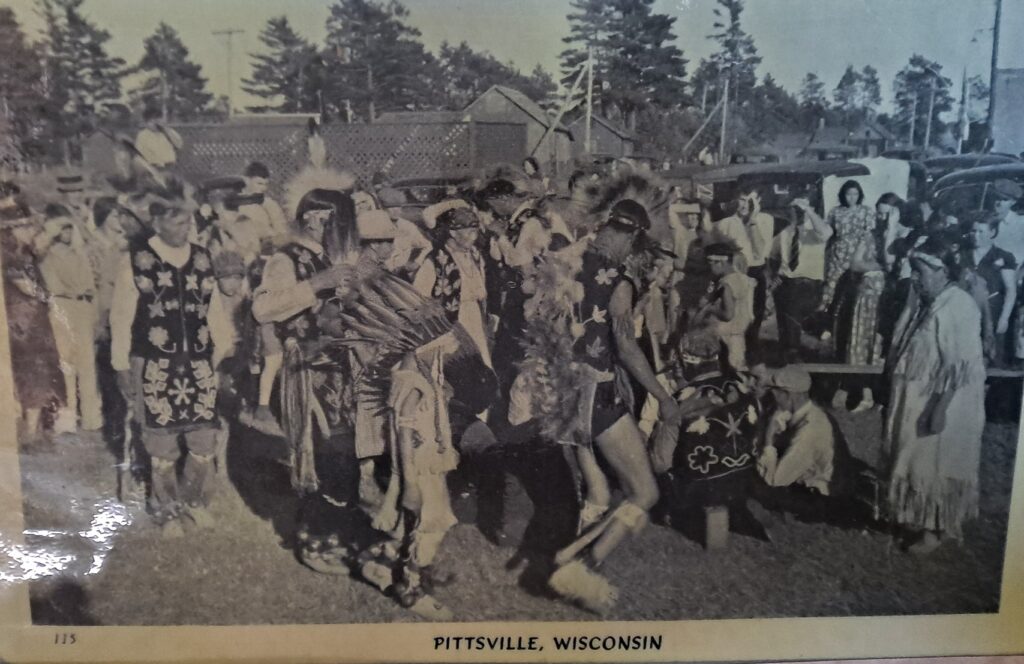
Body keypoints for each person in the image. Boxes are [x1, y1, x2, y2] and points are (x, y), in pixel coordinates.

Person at [546, 199, 679, 614]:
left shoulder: (568, 261)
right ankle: (581, 569)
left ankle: (573, 566)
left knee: (598, 488)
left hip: (561, 389)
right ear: (635, 238)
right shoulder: (618, 280)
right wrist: (664, 397)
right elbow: (626, 347)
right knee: (644, 492)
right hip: (596, 394)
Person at [110, 197, 234, 537]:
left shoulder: (202, 258)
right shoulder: (136, 262)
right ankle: (167, 511)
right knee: (161, 443)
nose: (187, 230)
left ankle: (194, 502)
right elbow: (120, 317)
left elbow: (214, 312)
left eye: (189, 223)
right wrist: (121, 365)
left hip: (198, 363)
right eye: (179, 223)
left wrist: (220, 352)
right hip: (155, 364)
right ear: (159, 222)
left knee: (203, 440)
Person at [883, 235, 986, 554]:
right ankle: (918, 516)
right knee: (914, 459)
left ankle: (937, 530)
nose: (914, 278)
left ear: (942, 272)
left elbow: (960, 366)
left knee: (938, 462)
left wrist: (939, 408)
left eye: (920, 272)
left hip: (944, 403)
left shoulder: (959, 306)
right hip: (916, 395)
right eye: (912, 270)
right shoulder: (925, 301)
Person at [1, 186, 66, 444]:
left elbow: (39, 249)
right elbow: (25, 287)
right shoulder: (11, 255)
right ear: (13, 228)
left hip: (32, 321)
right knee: (32, 374)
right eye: (27, 227)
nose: (32, 232)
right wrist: (48, 297)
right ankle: (29, 433)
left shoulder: (22, 252)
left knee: (39, 373)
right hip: (22, 323)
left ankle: (34, 430)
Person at [37, 204, 103, 434]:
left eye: (69, 228)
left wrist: (93, 312)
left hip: (82, 308)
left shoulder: (79, 253)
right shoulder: (47, 256)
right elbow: (53, 284)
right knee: (66, 363)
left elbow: (91, 286)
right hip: (62, 307)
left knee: (87, 364)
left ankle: (91, 417)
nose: (66, 233)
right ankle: (67, 418)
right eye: (62, 228)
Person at [835, 194, 902, 412]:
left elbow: (892, 265)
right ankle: (865, 393)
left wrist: (877, 264)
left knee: (881, 344)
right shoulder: (869, 235)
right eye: (879, 213)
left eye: (886, 214)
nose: (881, 218)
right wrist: (878, 267)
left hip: (888, 298)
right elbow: (854, 264)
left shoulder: (902, 236)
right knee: (861, 342)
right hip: (866, 297)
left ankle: (883, 395)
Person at [413, 205, 492, 368]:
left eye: (476, 232)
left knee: (482, 364)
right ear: (453, 233)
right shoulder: (434, 261)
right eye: (470, 232)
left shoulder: (475, 255)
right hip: (450, 324)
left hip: (474, 317)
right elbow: (417, 300)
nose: (474, 237)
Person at [713, 190, 774, 360]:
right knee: (732, 319)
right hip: (733, 274)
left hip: (755, 272)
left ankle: (751, 357)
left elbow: (758, 251)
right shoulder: (725, 223)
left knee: (753, 319)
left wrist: (752, 220)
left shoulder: (765, 220)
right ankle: (729, 358)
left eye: (750, 200)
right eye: (742, 199)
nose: (745, 204)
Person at [771, 197, 831, 360]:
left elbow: (826, 233)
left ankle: (793, 351)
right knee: (782, 316)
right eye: (794, 209)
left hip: (807, 284)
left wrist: (809, 210)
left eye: (800, 210)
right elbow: (771, 255)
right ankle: (787, 352)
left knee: (793, 303)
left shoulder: (815, 232)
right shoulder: (785, 232)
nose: (797, 213)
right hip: (785, 282)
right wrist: (773, 279)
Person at [961, 210, 1017, 366]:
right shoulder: (961, 255)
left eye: (981, 231)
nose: (976, 235)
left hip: (992, 312)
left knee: (989, 356)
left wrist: (1004, 318)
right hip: (965, 311)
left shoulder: (1003, 257)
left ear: (992, 232)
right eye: (973, 231)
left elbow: (1010, 290)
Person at [693, 242, 755, 373]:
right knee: (738, 365)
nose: (709, 269)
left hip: (727, 335)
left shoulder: (726, 284)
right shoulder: (743, 278)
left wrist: (710, 308)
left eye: (710, 264)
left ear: (720, 263)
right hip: (740, 333)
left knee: (728, 368)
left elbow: (728, 315)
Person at [819, 180, 876, 319]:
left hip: (858, 253)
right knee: (832, 286)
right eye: (848, 194)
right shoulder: (835, 212)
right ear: (843, 195)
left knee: (855, 287)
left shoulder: (866, 211)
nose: (852, 197)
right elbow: (829, 233)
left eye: (855, 194)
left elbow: (869, 235)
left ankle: (852, 319)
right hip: (838, 254)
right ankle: (827, 321)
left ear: (859, 195)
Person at [236, 161, 289, 239]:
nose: (263, 188)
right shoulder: (234, 202)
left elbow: (281, 231)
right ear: (246, 180)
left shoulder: (269, 204)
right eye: (259, 183)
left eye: (266, 184)